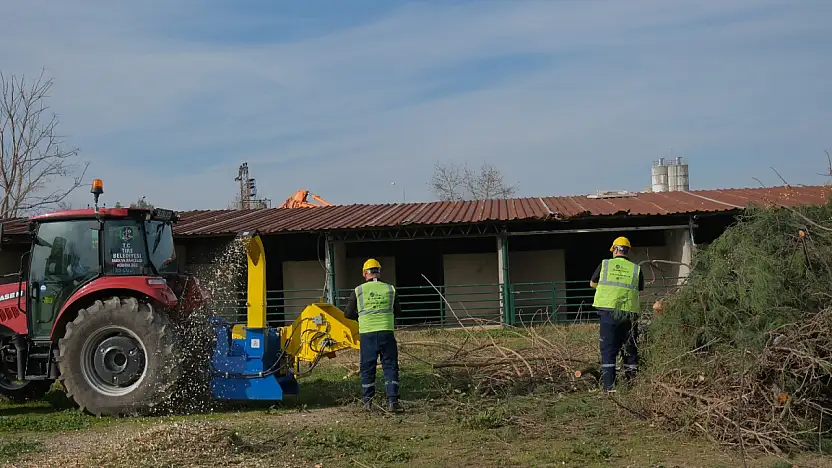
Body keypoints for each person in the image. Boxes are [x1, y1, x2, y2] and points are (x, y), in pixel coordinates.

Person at [343, 258, 404, 413]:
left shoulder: (358, 291)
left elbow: (348, 313)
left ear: (365, 273)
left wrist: (362, 317)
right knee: (390, 366)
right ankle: (392, 401)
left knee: (367, 368)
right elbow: (398, 311)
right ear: (379, 271)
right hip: (386, 333)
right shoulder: (390, 289)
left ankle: (368, 403)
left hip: (367, 334)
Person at [590, 236, 644, 392]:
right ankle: (632, 387)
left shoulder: (605, 265)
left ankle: (610, 387)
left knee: (608, 350)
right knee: (630, 349)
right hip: (630, 314)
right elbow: (639, 288)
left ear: (614, 249)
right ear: (627, 251)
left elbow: (592, 283)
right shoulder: (636, 269)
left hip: (609, 313)